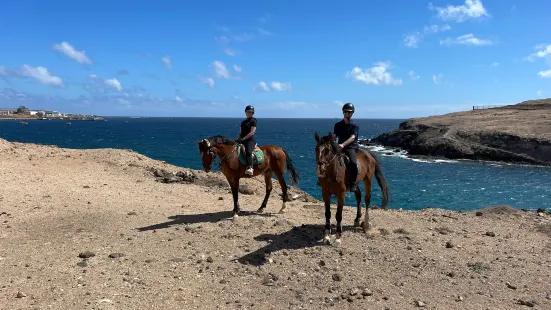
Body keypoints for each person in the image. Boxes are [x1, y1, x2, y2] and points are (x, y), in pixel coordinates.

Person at [333, 102, 359, 192]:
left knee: (353, 162)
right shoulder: (337, 125)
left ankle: (353, 183)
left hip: (350, 147)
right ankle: (321, 178)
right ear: (343, 112)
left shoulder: (354, 125)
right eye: (345, 112)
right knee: (326, 158)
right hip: (339, 147)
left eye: (349, 112)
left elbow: (353, 137)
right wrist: (331, 143)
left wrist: (343, 144)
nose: (347, 113)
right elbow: (334, 136)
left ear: (352, 113)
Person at [236, 105, 257, 175]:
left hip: (250, 140)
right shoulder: (243, 122)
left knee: (248, 152)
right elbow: (240, 132)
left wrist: (244, 139)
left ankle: (250, 167)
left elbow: (252, 132)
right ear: (245, 112)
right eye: (248, 112)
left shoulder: (253, 121)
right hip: (242, 139)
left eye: (251, 112)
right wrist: (238, 139)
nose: (249, 113)